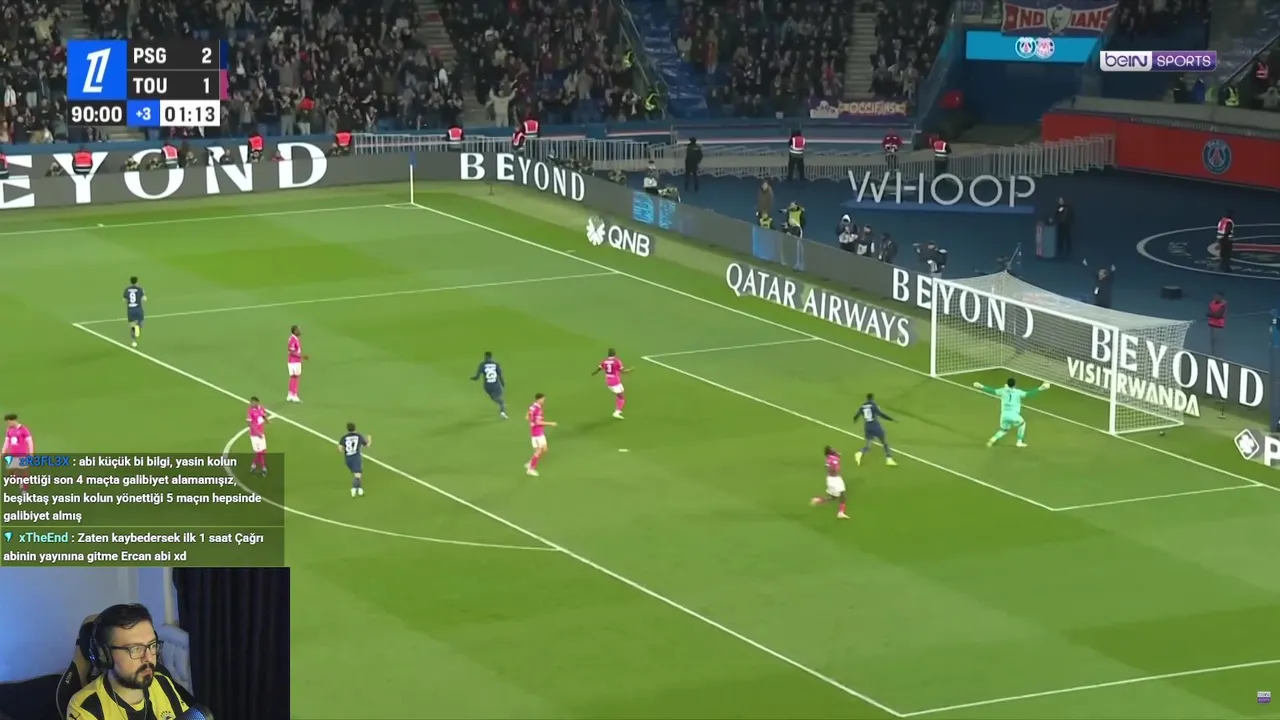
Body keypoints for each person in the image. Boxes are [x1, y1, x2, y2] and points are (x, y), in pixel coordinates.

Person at [65, 604, 196, 720]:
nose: (149, 658)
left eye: (152, 645)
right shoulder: (85, 708)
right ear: (104, 656)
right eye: (135, 649)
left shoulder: (162, 682)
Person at [974, 378, 1050, 448]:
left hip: (1004, 415)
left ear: (1007, 384)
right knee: (1022, 424)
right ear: (1015, 384)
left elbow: (992, 391)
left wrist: (981, 386)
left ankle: (993, 438)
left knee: (1003, 430)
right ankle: (1019, 442)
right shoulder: (1018, 392)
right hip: (1013, 414)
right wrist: (1040, 388)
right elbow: (1028, 394)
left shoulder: (1002, 390)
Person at [854, 393, 896, 466]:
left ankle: (860, 452)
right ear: (872, 398)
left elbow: (856, 416)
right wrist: (891, 419)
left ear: (867, 398)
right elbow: (881, 414)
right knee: (884, 443)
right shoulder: (873, 405)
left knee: (868, 446)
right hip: (875, 426)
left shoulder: (862, 406)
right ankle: (889, 459)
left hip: (867, 427)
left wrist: (855, 420)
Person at [810, 446, 849, 519]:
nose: (834, 449)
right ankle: (840, 513)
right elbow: (831, 468)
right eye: (832, 449)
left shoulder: (830, 458)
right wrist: (834, 471)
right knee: (842, 496)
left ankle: (817, 500)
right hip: (835, 480)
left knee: (833, 497)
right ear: (830, 451)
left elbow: (838, 457)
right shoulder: (832, 459)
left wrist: (836, 454)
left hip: (831, 479)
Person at [591, 349, 629, 419]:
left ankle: (618, 408)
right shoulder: (617, 361)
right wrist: (629, 371)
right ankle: (617, 412)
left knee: (618, 395)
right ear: (615, 354)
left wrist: (594, 373)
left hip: (608, 382)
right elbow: (623, 371)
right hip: (616, 382)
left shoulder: (604, 361)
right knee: (621, 398)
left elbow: (599, 368)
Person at [525, 393, 556, 476]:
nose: (544, 401)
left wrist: (531, 421)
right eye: (543, 399)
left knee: (544, 449)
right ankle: (531, 469)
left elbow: (527, 417)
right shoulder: (538, 409)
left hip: (534, 432)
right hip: (538, 433)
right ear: (539, 399)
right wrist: (550, 423)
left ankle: (530, 463)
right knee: (539, 450)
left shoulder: (532, 406)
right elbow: (538, 422)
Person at [471, 351, 507, 418]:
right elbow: (500, 376)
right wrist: (503, 384)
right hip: (496, 385)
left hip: (487, 386)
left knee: (495, 398)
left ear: (485, 357)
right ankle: (502, 412)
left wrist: (473, 378)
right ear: (491, 357)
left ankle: (501, 409)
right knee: (501, 400)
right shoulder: (496, 364)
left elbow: (477, 377)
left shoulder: (482, 365)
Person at [338, 422, 370, 497]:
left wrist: (346, 449)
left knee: (357, 474)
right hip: (356, 457)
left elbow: (340, 449)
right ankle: (354, 489)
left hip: (348, 459)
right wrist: (369, 439)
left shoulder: (344, 437)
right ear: (355, 428)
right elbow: (367, 445)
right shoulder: (358, 436)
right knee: (357, 475)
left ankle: (360, 489)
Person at [3, 414, 33, 495]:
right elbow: (6, 442)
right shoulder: (9, 430)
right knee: (10, 471)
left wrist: (31, 453)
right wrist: (3, 452)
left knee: (23, 473)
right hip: (12, 455)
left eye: (8, 422)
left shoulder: (24, 429)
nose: (8, 424)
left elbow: (29, 442)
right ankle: (16, 485)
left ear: (13, 421)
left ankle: (24, 490)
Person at [247, 397, 269, 475]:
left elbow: (263, 414)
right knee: (260, 452)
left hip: (261, 433)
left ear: (257, 402)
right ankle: (263, 467)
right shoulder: (250, 411)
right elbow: (249, 424)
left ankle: (254, 464)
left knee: (263, 451)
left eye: (253, 402)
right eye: (251, 402)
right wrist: (257, 433)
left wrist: (267, 420)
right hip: (255, 435)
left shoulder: (261, 408)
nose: (251, 404)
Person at [286, 325, 307, 403]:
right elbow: (291, 352)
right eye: (298, 330)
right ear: (295, 331)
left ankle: (290, 395)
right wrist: (302, 356)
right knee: (295, 377)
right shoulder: (293, 339)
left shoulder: (294, 338)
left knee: (293, 377)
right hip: (294, 361)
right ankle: (294, 395)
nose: (300, 331)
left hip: (294, 361)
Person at [122, 277, 145, 348]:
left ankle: (134, 341)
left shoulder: (127, 289)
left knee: (132, 326)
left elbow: (124, 300)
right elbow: (144, 299)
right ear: (137, 282)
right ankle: (137, 325)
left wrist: (129, 304)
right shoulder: (140, 289)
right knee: (141, 324)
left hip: (130, 310)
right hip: (138, 309)